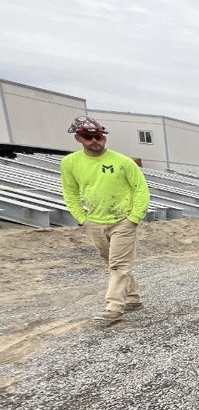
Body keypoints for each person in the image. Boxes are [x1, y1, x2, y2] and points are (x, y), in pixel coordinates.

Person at [60, 116, 150, 324]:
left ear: (104, 137)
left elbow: (141, 189)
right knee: (115, 263)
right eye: (88, 137)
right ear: (78, 138)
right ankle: (134, 298)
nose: (95, 141)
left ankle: (114, 306)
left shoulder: (123, 162)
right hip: (95, 221)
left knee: (119, 264)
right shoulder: (70, 163)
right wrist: (82, 219)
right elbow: (70, 193)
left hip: (123, 220)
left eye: (98, 136)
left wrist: (134, 218)